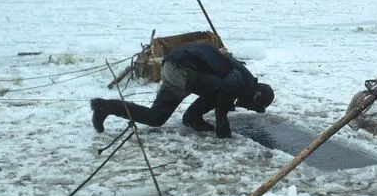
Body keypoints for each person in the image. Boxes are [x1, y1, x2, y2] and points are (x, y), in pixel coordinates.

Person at [90, 43, 274, 139]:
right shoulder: (242, 80)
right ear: (256, 97)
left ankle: (104, 107)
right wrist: (222, 121)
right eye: (253, 107)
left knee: (156, 118)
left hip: (172, 66)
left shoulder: (243, 79)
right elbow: (225, 90)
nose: (249, 109)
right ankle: (193, 118)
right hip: (183, 70)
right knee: (221, 91)